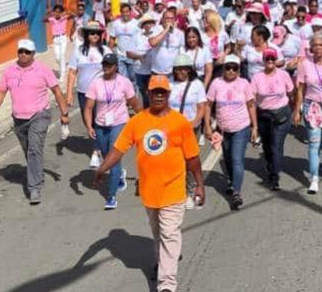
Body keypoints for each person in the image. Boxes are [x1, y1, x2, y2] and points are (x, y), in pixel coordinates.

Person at [93, 75, 205, 292]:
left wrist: (199, 184)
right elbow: (118, 149)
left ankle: (167, 284)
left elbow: (192, 157)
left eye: (163, 92)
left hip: (174, 189)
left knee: (169, 234)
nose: (159, 95)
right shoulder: (137, 122)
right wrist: (102, 168)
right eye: (155, 92)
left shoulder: (180, 122)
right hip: (149, 191)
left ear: (169, 94)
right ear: (149, 93)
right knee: (158, 233)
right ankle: (162, 263)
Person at [0, 39, 70, 205]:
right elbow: (0, 91)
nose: (23, 55)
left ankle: (34, 187)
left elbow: (56, 91)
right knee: (29, 151)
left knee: (34, 149)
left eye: (27, 52)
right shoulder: (9, 71)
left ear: (33, 54)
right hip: (19, 118)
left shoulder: (43, 70)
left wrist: (64, 113)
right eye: (20, 51)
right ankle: (37, 174)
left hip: (39, 115)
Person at [83, 53, 142, 210]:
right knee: (106, 156)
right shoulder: (96, 83)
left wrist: (145, 120)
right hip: (101, 125)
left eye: (109, 65)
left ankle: (111, 196)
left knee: (113, 157)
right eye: (104, 64)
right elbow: (88, 108)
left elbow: (134, 103)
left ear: (116, 67)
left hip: (119, 123)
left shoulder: (124, 82)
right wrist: (89, 127)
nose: (106, 67)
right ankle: (120, 175)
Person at [206, 54, 258, 210]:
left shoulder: (244, 84)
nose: (230, 71)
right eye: (228, 68)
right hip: (223, 129)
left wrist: (254, 127)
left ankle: (236, 192)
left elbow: (250, 105)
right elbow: (208, 105)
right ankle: (231, 180)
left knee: (236, 159)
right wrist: (208, 126)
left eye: (234, 68)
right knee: (228, 158)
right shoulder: (216, 83)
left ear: (239, 70)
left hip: (241, 127)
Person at [293, 34, 322, 193]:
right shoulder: (304, 64)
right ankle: (314, 178)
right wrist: (297, 110)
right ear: (311, 48)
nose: (318, 48)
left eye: (321, 45)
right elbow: (300, 90)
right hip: (311, 105)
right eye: (315, 45)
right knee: (314, 143)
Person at [250, 48, 294, 192]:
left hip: (281, 116)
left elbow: (291, 93)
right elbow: (252, 99)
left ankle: (274, 177)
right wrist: (253, 122)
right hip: (264, 116)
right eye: (267, 59)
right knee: (268, 146)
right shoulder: (257, 77)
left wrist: (293, 111)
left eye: (272, 59)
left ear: (276, 61)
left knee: (276, 145)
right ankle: (271, 163)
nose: (270, 61)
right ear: (263, 61)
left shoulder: (284, 75)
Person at [169, 55, 209, 209]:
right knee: (175, 160)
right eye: (178, 69)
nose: (181, 72)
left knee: (190, 160)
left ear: (189, 69)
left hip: (191, 128)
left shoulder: (196, 85)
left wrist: (195, 123)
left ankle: (191, 188)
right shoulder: (169, 84)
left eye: (184, 68)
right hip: (172, 129)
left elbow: (201, 107)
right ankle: (179, 191)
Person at [66, 21, 107, 147]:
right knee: (87, 120)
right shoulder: (78, 51)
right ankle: (98, 144)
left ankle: (99, 148)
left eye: (97, 33)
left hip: (102, 93)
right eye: (91, 33)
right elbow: (72, 72)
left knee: (100, 120)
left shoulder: (105, 50)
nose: (95, 35)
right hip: (84, 92)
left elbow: (113, 71)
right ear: (86, 35)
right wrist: (69, 94)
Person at [109, 3, 142, 83]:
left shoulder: (136, 23)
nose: (125, 14)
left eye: (127, 11)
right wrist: (109, 52)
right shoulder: (116, 24)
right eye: (123, 12)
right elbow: (112, 38)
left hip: (133, 56)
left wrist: (140, 55)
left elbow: (141, 39)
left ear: (130, 12)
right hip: (120, 56)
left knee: (134, 80)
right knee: (123, 80)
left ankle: (134, 94)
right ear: (121, 13)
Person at [149, 10, 185, 77]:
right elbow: (153, 43)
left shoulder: (180, 33)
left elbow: (182, 52)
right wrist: (166, 30)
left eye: (171, 18)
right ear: (162, 19)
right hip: (156, 72)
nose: (169, 20)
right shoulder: (155, 29)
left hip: (173, 73)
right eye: (167, 18)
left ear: (174, 20)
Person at [133, 16, 158, 107]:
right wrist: (138, 56)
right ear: (143, 26)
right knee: (143, 94)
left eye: (150, 23)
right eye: (146, 23)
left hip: (153, 70)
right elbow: (131, 51)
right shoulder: (137, 37)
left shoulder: (158, 35)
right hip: (139, 70)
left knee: (152, 93)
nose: (148, 25)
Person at [45, 5, 73, 82]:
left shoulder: (64, 18)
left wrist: (66, 11)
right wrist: (48, 13)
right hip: (55, 39)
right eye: (56, 12)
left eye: (59, 12)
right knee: (57, 58)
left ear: (61, 13)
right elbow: (44, 20)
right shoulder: (52, 19)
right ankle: (61, 68)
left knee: (62, 55)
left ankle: (62, 74)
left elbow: (73, 15)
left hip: (63, 38)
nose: (57, 14)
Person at [202, 10, 232, 74]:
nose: (203, 20)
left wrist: (224, 55)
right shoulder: (202, 36)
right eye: (203, 18)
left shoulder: (223, 34)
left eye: (205, 18)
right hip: (207, 64)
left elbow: (228, 47)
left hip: (220, 63)